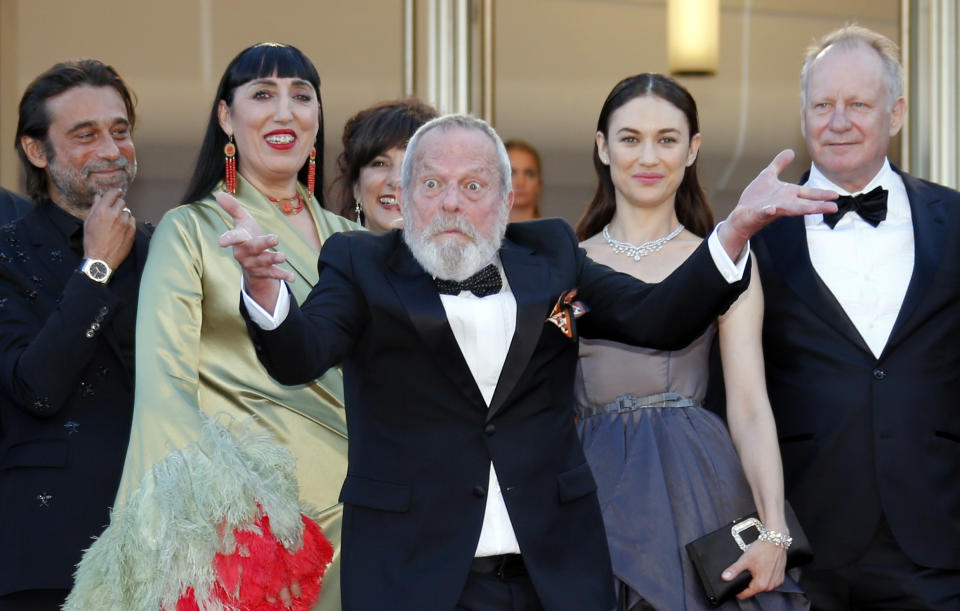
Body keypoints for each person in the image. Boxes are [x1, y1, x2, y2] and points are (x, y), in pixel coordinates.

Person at [221, 112, 837, 610]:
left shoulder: (550, 256)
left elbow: (659, 317)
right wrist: (265, 287)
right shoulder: (358, 265)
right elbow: (299, 353)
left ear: (506, 196)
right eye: (432, 184)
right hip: (412, 575)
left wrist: (733, 232)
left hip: (551, 572)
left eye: (473, 185)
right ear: (405, 197)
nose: (452, 203)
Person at [65, 43, 360, 611]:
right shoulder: (191, 230)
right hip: (254, 522)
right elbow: (164, 388)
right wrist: (204, 522)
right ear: (226, 117)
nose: (284, 112)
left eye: (301, 97)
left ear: (317, 119)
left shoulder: (356, 242)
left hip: (365, 510)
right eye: (263, 95)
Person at [574, 73, 806, 610]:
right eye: (630, 138)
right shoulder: (564, 260)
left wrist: (774, 531)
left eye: (667, 139)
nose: (648, 156)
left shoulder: (724, 261)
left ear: (693, 149)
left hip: (695, 488)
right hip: (584, 484)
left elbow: (749, 406)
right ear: (603, 148)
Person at [747, 25, 960, 609]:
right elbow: (729, 388)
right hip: (803, 543)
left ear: (895, 114)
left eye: (858, 104)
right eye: (823, 105)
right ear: (804, 113)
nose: (838, 121)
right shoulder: (756, 231)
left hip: (938, 538)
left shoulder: (956, 220)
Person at [0, 59, 148, 610]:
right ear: (38, 152)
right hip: (47, 551)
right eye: (85, 135)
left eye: (120, 131)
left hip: (162, 546)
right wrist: (98, 269)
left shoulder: (168, 250)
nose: (111, 150)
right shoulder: (7, 251)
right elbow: (35, 385)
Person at [334, 98, 437, 231]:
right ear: (357, 187)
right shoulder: (327, 251)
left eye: (411, 165)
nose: (396, 180)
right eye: (380, 163)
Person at [505, 140, 544, 222]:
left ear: (539, 184)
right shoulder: (476, 233)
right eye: (511, 173)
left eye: (529, 174)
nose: (520, 182)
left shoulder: (556, 233)